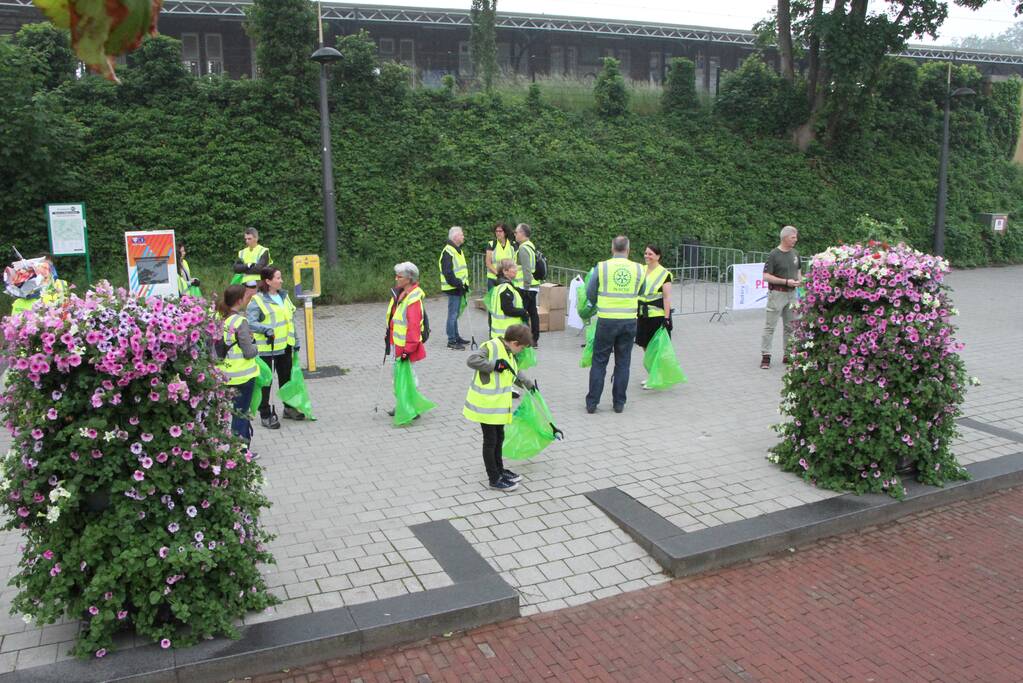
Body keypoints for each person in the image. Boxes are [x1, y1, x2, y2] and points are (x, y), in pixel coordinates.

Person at [463, 324, 535, 491]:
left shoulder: (509, 352)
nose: (522, 351)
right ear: (515, 343)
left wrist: (529, 385)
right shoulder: (491, 347)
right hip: (486, 405)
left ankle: (500, 470)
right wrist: (494, 365)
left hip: (498, 406)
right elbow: (472, 360)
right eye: (522, 348)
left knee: (499, 437)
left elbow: (514, 372)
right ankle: (494, 478)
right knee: (490, 441)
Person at [584, 236, 644, 414]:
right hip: (628, 321)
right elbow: (641, 290)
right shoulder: (638, 268)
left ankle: (592, 403)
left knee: (599, 361)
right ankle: (619, 403)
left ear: (612, 248)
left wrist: (596, 302)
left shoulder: (602, 267)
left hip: (606, 320)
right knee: (623, 362)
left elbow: (590, 291)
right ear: (628, 249)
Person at [247, 266, 300, 429]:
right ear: (268, 281)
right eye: (278, 278)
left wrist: (296, 340)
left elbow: (289, 321)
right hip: (266, 349)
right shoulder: (257, 300)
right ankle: (265, 414)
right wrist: (266, 329)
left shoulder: (284, 296)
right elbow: (250, 322)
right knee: (266, 382)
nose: (281, 280)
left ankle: (289, 408)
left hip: (285, 346)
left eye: (280, 277)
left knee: (286, 379)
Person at [215, 285, 259, 447]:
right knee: (241, 413)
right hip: (243, 376)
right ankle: (240, 451)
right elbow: (249, 352)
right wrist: (256, 346)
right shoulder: (240, 321)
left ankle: (235, 445)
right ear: (240, 300)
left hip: (225, 374)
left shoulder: (220, 319)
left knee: (232, 412)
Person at [387, 262, 427, 416]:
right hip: (397, 344)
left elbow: (414, 327)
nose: (396, 278)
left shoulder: (413, 297)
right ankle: (404, 405)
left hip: (405, 347)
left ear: (409, 279)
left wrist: (407, 351)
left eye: (399, 276)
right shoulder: (402, 293)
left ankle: (410, 407)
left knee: (409, 377)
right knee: (399, 376)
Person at [760, 225, 802, 369]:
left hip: (792, 295)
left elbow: (798, 270)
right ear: (785, 238)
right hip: (777, 294)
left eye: (795, 237)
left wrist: (799, 281)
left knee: (790, 326)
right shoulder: (774, 254)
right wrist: (785, 281)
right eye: (793, 237)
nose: (795, 240)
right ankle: (766, 356)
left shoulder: (795, 253)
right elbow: (766, 276)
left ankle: (788, 354)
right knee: (770, 326)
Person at [636, 244, 673, 386]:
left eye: (650, 254)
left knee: (655, 348)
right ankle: (653, 374)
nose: (647, 256)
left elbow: (667, 297)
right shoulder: (641, 270)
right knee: (645, 346)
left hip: (657, 316)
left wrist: (667, 318)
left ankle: (656, 377)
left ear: (658, 256)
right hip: (642, 314)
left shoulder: (665, 274)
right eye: (645, 253)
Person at [438, 226, 470, 350]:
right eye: (461, 235)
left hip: (458, 287)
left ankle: (456, 336)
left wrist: (464, 285)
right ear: (455, 236)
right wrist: (459, 284)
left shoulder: (457, 250)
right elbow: (448, 273)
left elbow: (460, 270)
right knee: (452, 314)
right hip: (453, 287)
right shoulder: (448, 251)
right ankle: (451, 340)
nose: (463, 237)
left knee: (455, 313)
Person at [513, 223, 541, 346]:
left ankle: (525, 339)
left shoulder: (523, 248)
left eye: (516, 232)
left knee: (522, 313)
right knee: (533, 313)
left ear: (522, 234)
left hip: (526, 287)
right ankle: (534, 339)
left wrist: (526, 286)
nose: (515, 234)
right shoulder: (530, 246)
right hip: (532, 286)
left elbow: (526, 269)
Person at [489, 259, 529, 339]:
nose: (516, 269)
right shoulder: (505, 288)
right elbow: (508, 309)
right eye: (513, 267)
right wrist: (524, 312)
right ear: (505, 271)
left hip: (502, 333)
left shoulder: (498, 287)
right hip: (507, 334)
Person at [485, 223, 517, 291]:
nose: (498, 233)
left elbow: (514, 263)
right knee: (493, 300)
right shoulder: (491, 244)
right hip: (493, 278)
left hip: (508, 279)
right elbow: (488, 263)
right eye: (496, 231)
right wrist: (498, 274)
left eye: (500, 231)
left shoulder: (512, 245)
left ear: (505, 233)